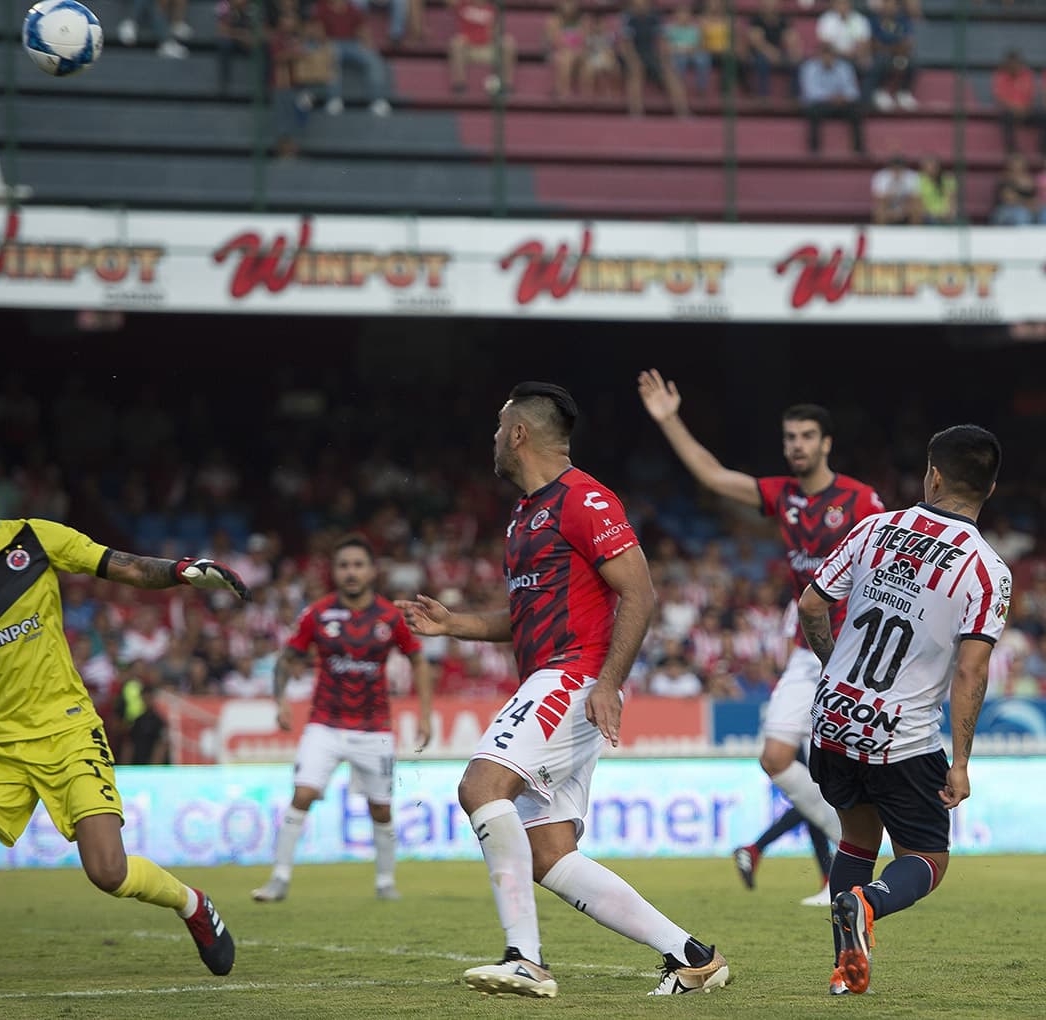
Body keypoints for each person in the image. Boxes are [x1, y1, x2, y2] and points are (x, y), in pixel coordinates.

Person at [0, 445, 246, 992]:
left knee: (109, 872)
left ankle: (193, 903)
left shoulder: (35, 535)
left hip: (67, 726)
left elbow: (124, 565)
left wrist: (180, 571)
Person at [397, 382, 730, 999]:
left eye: (499, 429)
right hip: (555, 678)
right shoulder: (525, 515)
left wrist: (610, 682)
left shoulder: (585, 499)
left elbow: (641, 591)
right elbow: (523, 617)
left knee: (480, 785)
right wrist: (455, 625)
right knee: (548, 853)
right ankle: (692, 955)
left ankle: (525, 958)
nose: (494, 441)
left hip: (574, 678)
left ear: (519, 433)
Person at [638, 370, 885, 904]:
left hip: (851, 652)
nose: (796, 446)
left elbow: (892, 566)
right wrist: (670, 420)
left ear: (826, 443)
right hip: (805, 650)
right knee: (774, 756)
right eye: (789, 438)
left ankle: (850, 862)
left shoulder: (862, 501)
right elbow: (713, 476)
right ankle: (851, 847)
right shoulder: (782, 496)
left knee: (844, 764)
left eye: (805, 437)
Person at [797, 425, 1010, 996]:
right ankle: (867, 904)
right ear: (989, 488)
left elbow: (811, 605)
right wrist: (960, 762)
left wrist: (830, 670)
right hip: (901, 737)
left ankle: (844, 971)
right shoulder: (986, 570)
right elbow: (971, 670)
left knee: (855, 839)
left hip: (831, 720)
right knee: (928, 858)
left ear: (933, 475)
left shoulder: (873, 529)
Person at [252, 533, 432, 903]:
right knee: (303, 794)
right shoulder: (317, 614)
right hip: (325, 724)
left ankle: (385, 883)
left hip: (374, 728)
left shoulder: (388, 616)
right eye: (344, 565)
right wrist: (281, 701)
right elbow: (288, 658)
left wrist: (425, 714)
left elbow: (416, 657)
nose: (351, 572)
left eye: (358, 565)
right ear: (334, 572)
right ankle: (279, 879)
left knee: (380, 808)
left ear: (371, 571)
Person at [799, 41, 865, 156]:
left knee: (857, 110)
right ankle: (814, 151)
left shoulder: (845, 67)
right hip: (821, 105)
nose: (827, 58)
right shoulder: (809, 68)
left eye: (830, 54)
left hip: (841, 104)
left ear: (834, 55)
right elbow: (810, 93)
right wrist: (831, 97)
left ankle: (858, 150)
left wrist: (842, 98)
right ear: (819, 55)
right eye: (824, 54)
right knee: (812, 111)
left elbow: (853, 92)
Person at [871, 152, 920, 224]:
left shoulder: (912, 177)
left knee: (916, 208)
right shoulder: (881, 176)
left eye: (900, 168)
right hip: (888, 207)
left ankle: (915, 232)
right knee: (879, 209)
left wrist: (902, 210)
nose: (897, 170)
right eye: (895, 168)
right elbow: (879, 199)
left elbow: (915, 198)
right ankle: (881, 232)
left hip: (906, 207)